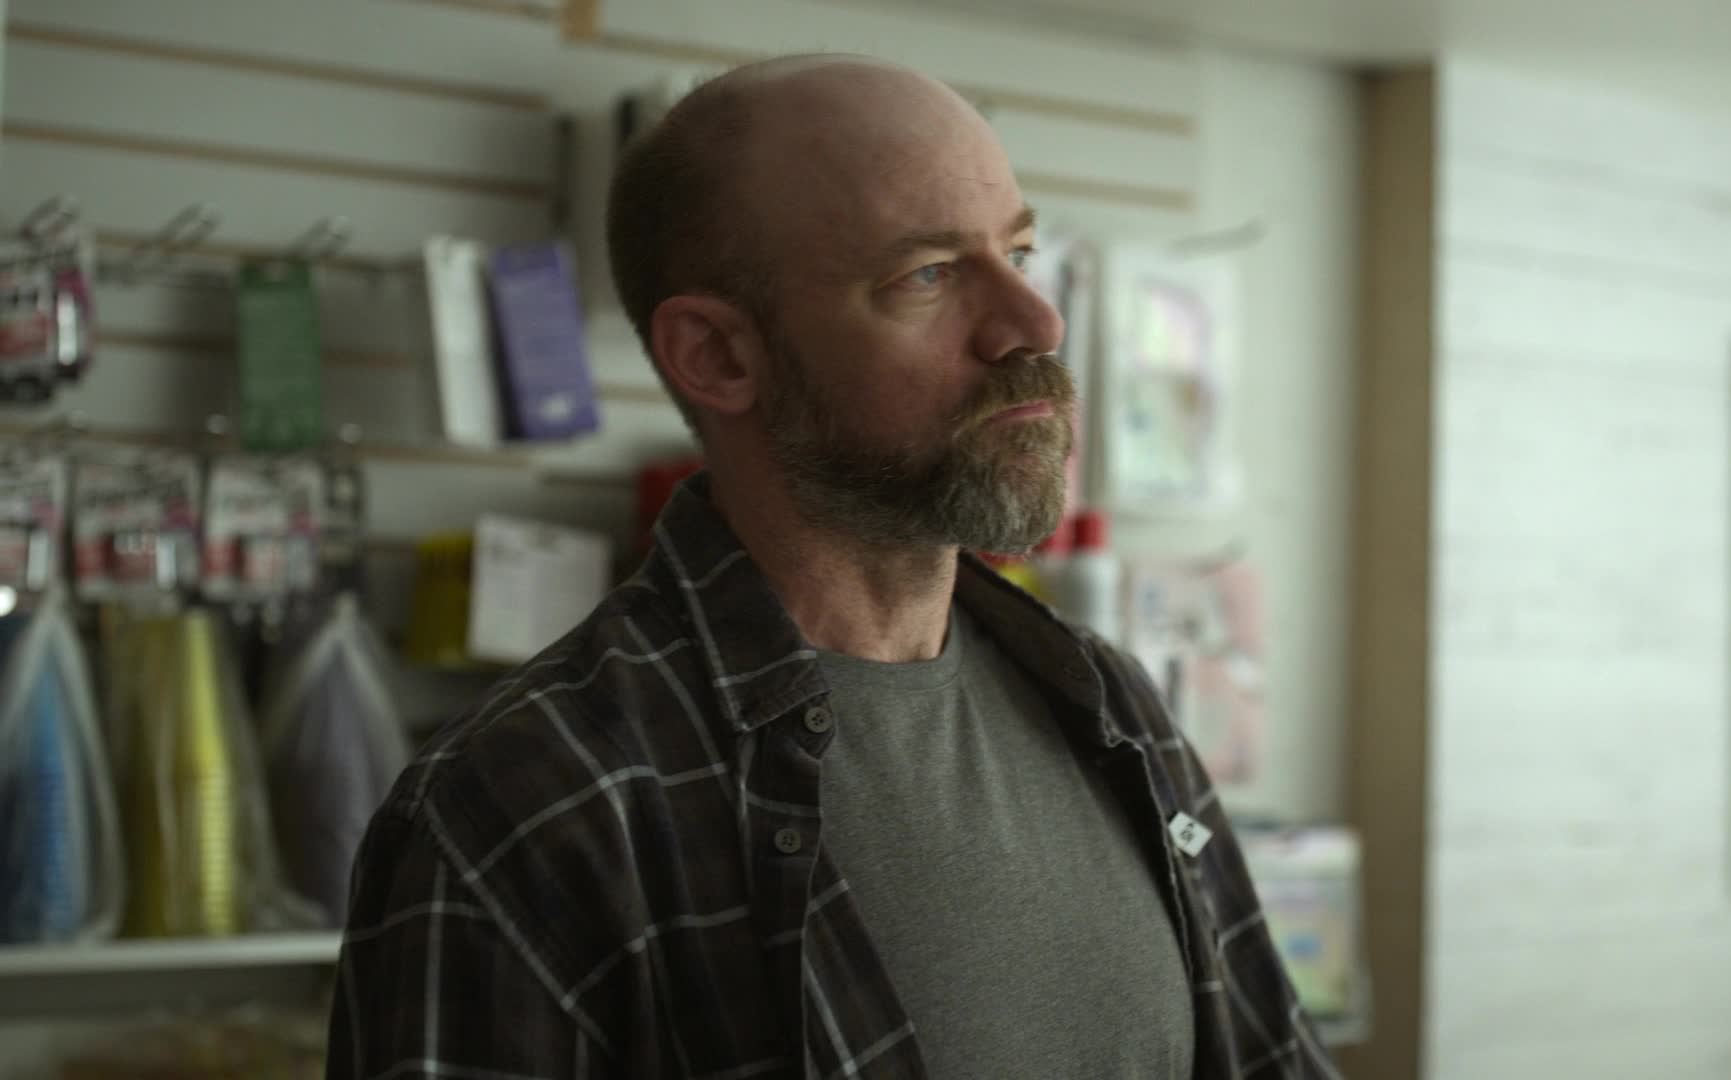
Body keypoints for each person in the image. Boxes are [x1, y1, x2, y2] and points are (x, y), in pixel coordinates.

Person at [327, 53, 1339, 1080]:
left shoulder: (1108, 707)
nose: (1036, 325)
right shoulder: (529, 807)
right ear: (719, 355)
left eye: (1019, 253)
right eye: (929, 275)